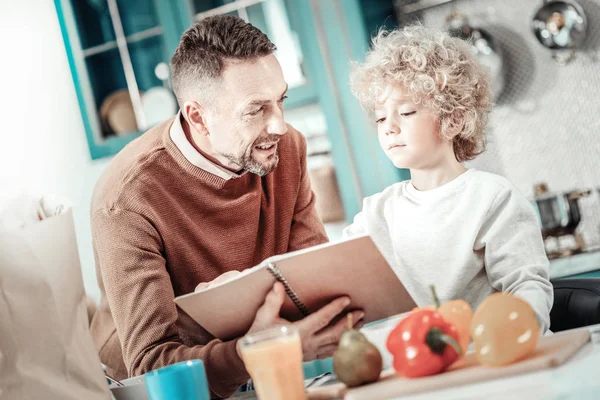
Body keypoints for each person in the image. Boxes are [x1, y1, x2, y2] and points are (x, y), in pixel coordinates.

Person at [90, 15, 362, 398]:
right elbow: (152, 363)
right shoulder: (126, 199)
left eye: (280, 100)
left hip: (260, 369)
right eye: (256, 110)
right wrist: (259, 350)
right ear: (198, 117)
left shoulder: (287, 149)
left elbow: (312, 278)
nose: (280, 126)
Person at [344, 25, 553, 332]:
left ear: (454, 119)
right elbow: (335, 278)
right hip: (421, 367)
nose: (388, 127)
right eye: (380, 117)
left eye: (406, 112)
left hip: (489, 360)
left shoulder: (492, 197)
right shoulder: (377, 213)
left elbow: (527, 287)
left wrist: (513, 334)